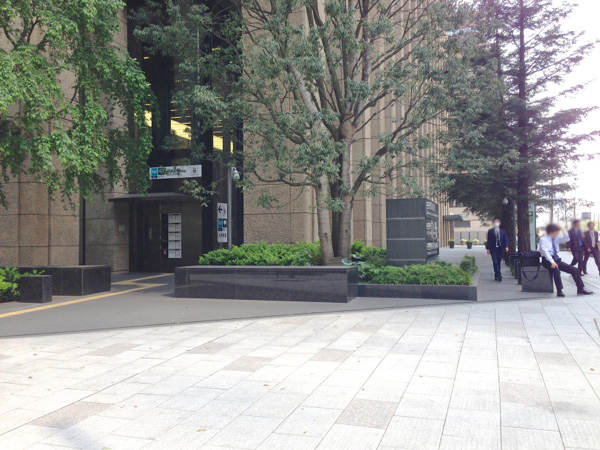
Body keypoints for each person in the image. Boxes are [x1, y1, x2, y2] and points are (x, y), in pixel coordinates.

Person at [539, 223, 593, 297]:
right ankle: (559, 290)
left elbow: (567, 238)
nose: (558, 233)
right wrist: (552, 262)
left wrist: (563, 229)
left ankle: (580, 289)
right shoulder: (543, 240)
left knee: (574, 270)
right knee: (556, 270)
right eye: (557, 231)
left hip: (556, 259)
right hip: (547, 260)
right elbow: (546, 253)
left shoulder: (556, 238)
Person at [486, 217, 509, 282]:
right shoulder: (490, 231)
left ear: (499, 223)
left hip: (500, 248)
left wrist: (506, 246)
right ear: (493, 223)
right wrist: (488, 248)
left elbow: (506, 239)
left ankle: (497, 275)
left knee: (498, 261)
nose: (496, 223)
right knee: (495, 261)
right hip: (493, 248)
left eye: (497, 222)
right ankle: (499, 274)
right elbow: (489, 240)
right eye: (495, 222)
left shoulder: (503, 231)